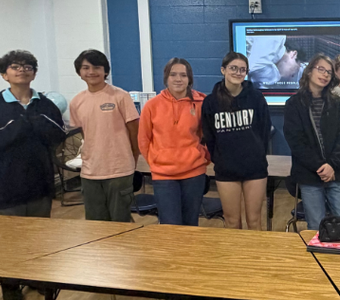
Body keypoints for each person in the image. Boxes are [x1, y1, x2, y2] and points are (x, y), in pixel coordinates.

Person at [0, 49, 66, 300]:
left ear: (34, 73)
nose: (22, 70)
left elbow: (59, 134)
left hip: (40, 182)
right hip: (5, 184)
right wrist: (15, 127)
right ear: (4, 74)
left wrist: (38, 121)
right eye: (15, 66)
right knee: (8, 239)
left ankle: (37, 277)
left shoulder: (45, 105)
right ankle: (10, 284)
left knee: (39, 235)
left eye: (27, 66)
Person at [68, 49, 140, 224]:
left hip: (119, 170)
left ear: (105, 71)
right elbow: (86, 134)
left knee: (120, 222)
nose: (91, 72)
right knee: (95, 224)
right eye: (86, 68)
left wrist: (131, 160)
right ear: (79, 72)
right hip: (90, 171)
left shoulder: (120, 96)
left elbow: (135, 132)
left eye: (96, 67)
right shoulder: (76, 101)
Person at [201, 51, 271, 230]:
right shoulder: (210, 102)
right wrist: (220, 158)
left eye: (242, 69)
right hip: (226, 170)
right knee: (232, 222)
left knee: (254, 220)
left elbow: (264, 131)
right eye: (233, 68)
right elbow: (209, 136)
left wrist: (256, 153)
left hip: (255, 168)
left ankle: (254, 251)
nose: (238, 73)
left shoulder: (256, 98)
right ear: (223, 70)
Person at [138, 58, 209, 227]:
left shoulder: (201, 103)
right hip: (163, 175)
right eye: (173, 75)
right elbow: (143, 139)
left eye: (183, 75)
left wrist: (203, 156)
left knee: (190, 224)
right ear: (166, 78)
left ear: (189, 79)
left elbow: (210, 135)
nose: (178, 79)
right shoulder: (152, 105)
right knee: (170, 226)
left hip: (194, 173)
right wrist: (156, 160)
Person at [284, 55, 340, 229]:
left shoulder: (336, 103)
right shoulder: (294, 104)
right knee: (316, 227)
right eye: (321, 69)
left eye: (329, 72)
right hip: (309, 174)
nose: (325, 74)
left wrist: (331, 165)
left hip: (335, 172)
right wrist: (320, 166)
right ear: (309, 71)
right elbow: (296, 142)